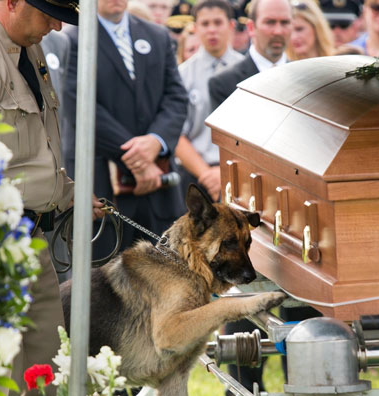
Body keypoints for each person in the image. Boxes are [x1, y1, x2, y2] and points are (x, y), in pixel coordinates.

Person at [0, 1, 103, 394]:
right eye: (48, 12)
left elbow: (23, 155)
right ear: (11, 2)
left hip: (27, 240)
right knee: (1, 379)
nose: (57, 26)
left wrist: (67, 195)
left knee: (43, 373)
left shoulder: (20, 39)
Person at [62, 0, 188, 260]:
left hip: (158, 188)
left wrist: (155, 141)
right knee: (105, 286)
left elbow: (176, 98)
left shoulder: (157, 35)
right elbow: (79, 103)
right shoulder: (72, 40)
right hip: (104, 188)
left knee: (169, 277)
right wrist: (138, 158)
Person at [208, 1, 291, 392]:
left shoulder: (303, 76)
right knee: (247, 314)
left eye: (284, 22)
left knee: (301, 314)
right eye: (270, 22)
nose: (278, 30)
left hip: (295, 221)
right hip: (248, 216)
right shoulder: (227, 80)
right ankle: (242, 387)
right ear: (252, 27)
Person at [176, 0, 243, 203]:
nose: (212, 30)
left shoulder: (247, 71)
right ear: (195, 28)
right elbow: (177, 134)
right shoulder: (182, 75)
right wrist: (208, 174)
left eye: (218, 22)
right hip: (196, 175)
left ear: (230, 26)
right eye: (205, 24)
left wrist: (226, 173)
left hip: (241, 173)